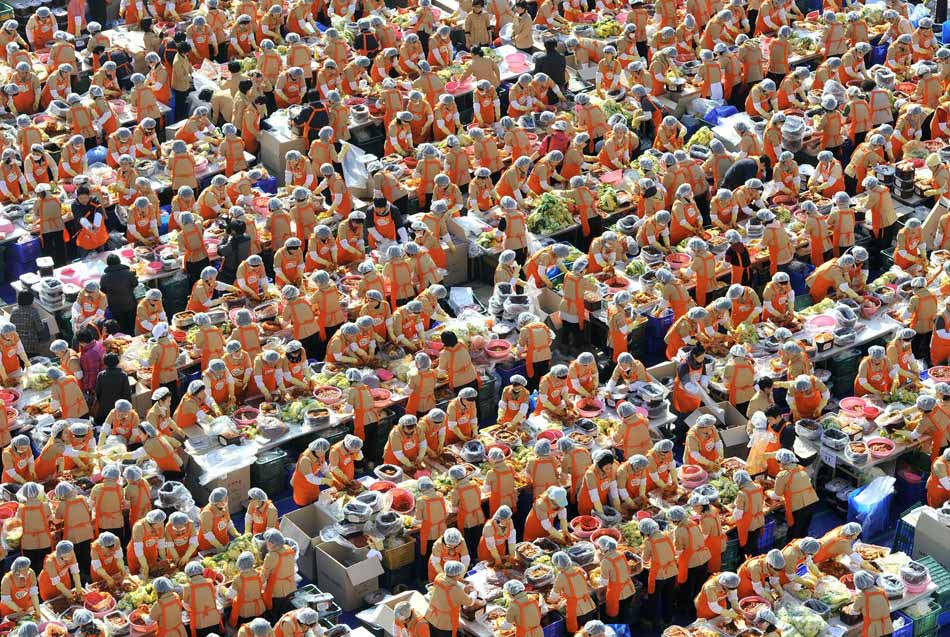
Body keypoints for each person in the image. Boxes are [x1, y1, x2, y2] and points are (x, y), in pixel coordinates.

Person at [640, 517, 677, 627]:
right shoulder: (667, 535)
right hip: (672, 571)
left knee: (653, 599)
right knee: (668, 597)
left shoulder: (649, 542)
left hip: (658, 576)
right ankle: (667, 620)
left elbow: (645, 560)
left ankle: (649, 620)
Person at [774, 449, 819, 538]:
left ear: (781, 462)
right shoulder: (801, 468)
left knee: (794, 532)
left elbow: (777, 495)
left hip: (798, 507)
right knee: (804, 529)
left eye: (778, 461)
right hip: (812, 502)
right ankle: (803, 547)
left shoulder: (782, 475)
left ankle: (791, 549)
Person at [260, 529, 297, 618]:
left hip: (277, 590)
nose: (266, 544)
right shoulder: (288, 549)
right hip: (291, 586)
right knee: (288, 609)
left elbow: (264, 574)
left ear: (272, 544)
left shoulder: (272, 556)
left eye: (267, 542)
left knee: (276, 611)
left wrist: (257, 585)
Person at [8, 291, 47, 357]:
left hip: (18, 344)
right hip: (31, 345)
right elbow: (40, 328)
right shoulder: (33, 312)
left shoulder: (14, 310)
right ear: (31, 300)